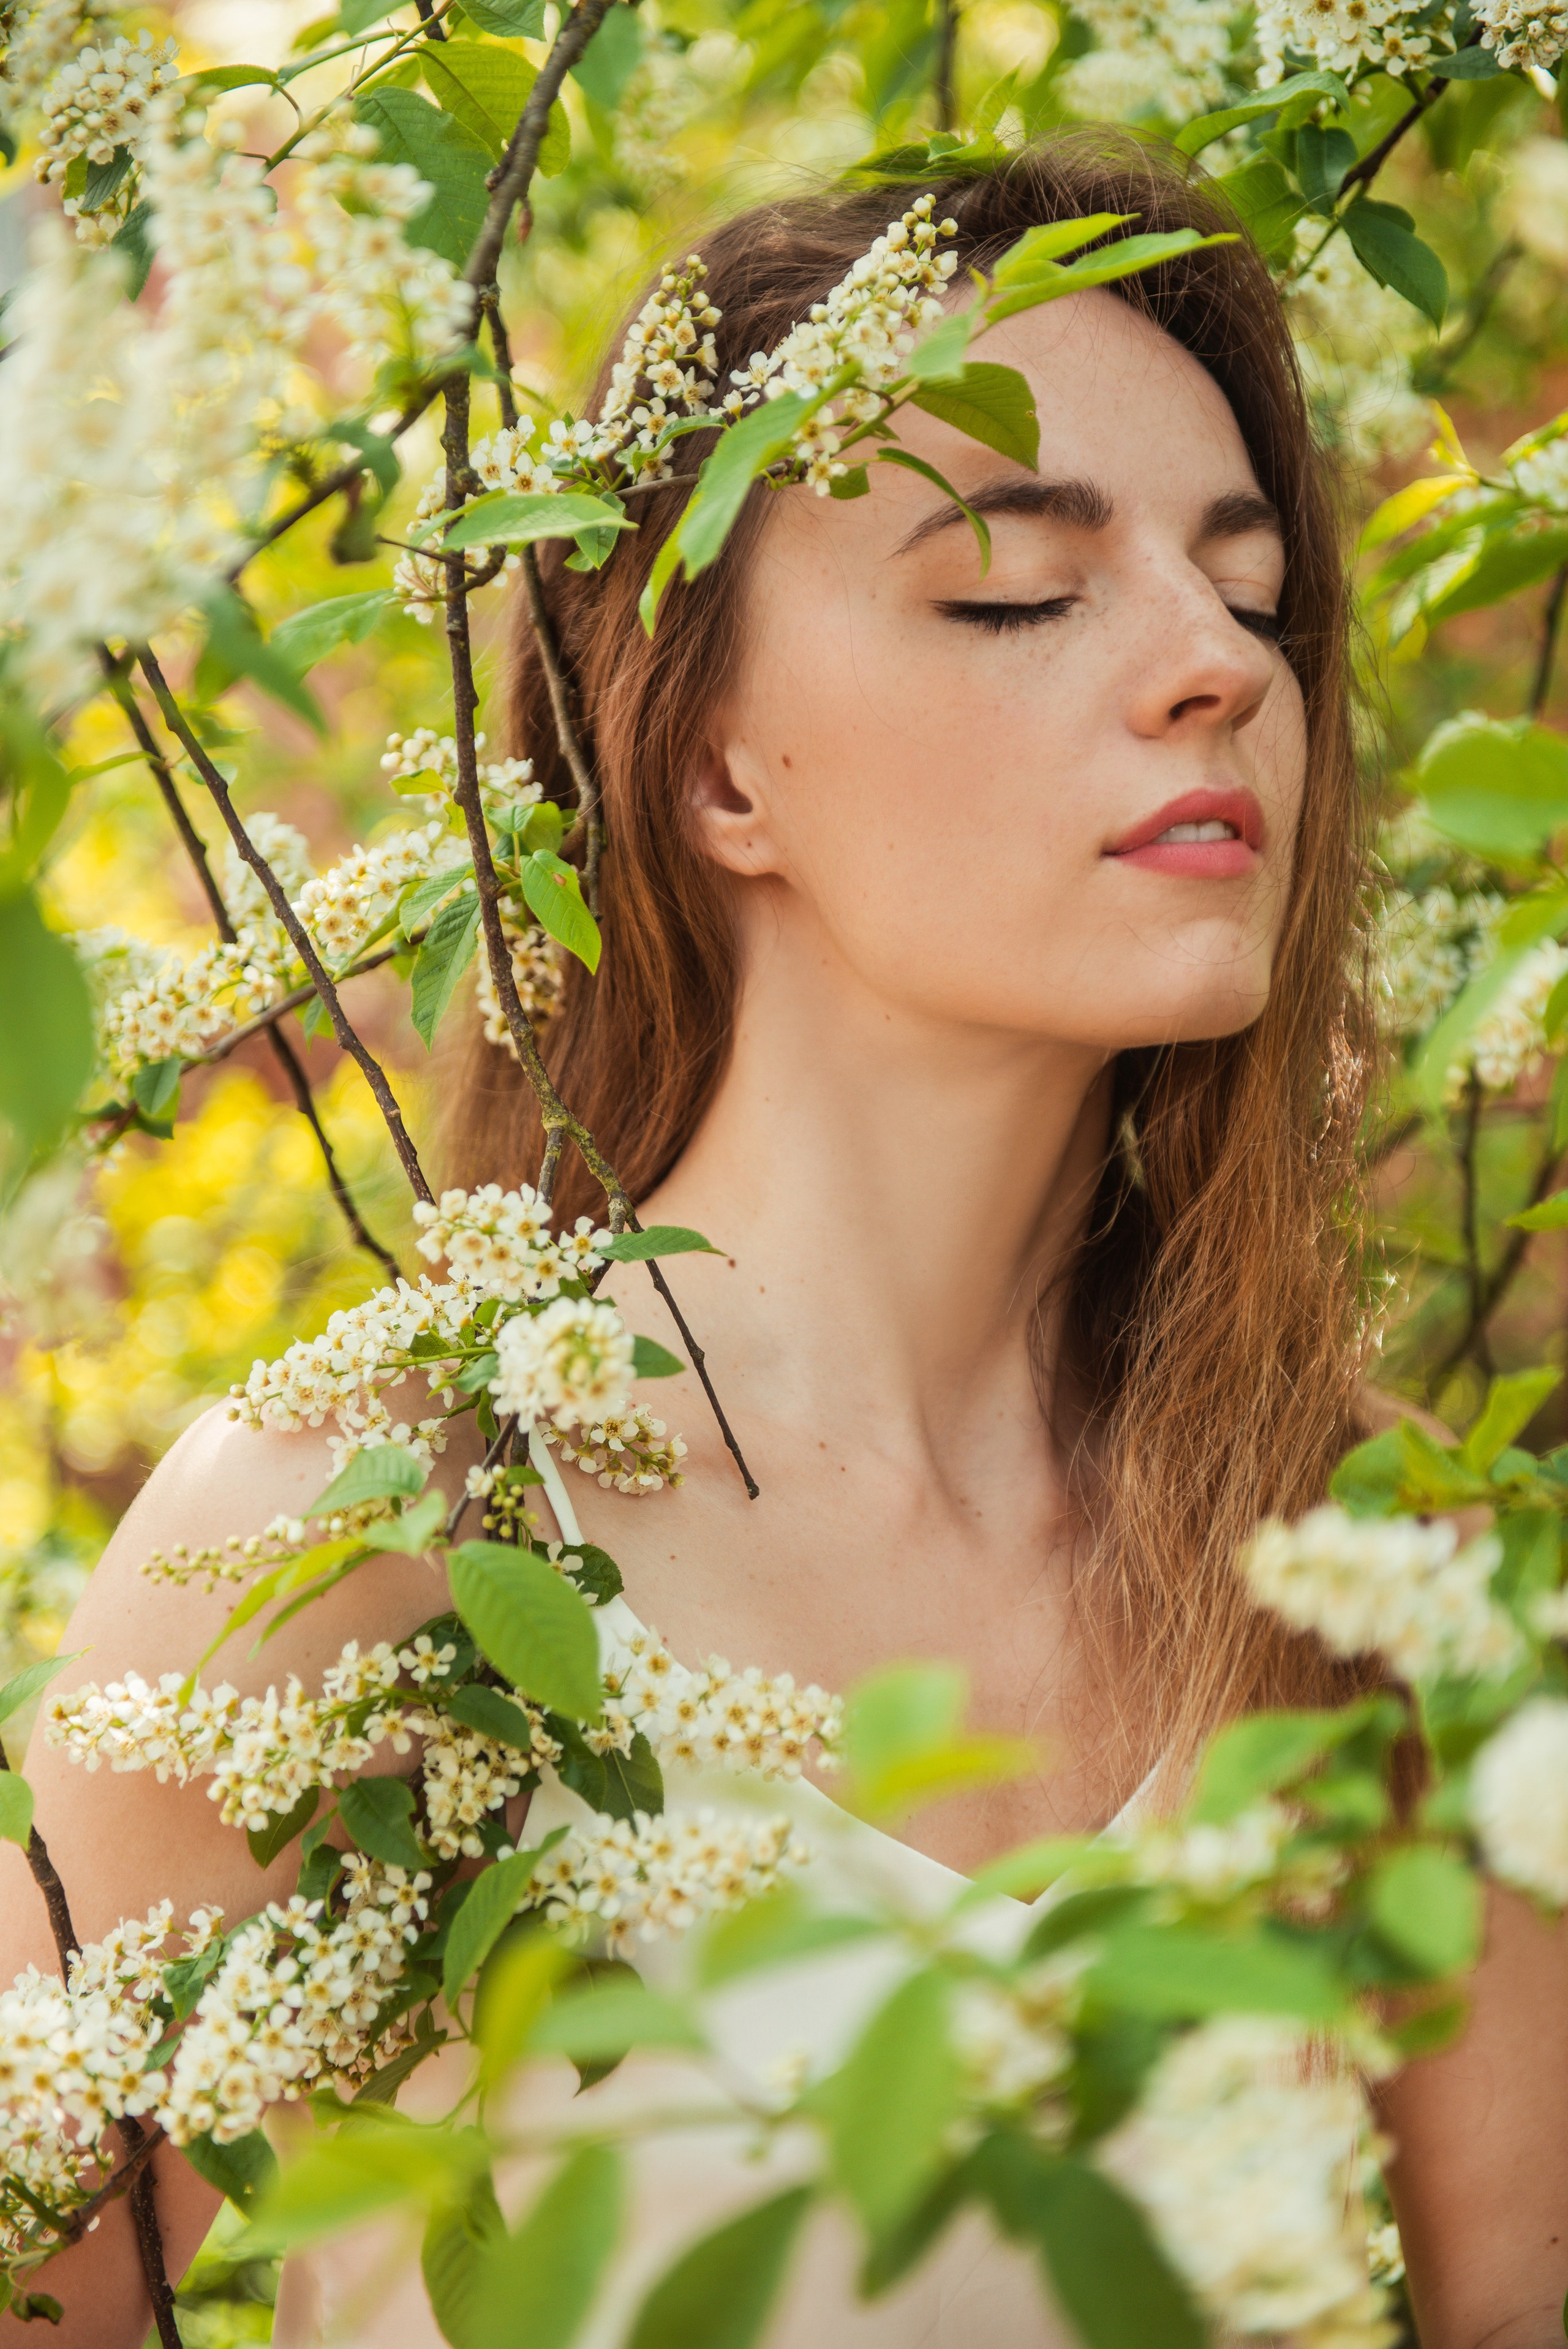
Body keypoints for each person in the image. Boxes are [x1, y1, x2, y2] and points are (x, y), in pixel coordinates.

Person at [6, 134, 1566, 2348]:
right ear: (722, 763)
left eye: (1254, 592)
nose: (1213, 662)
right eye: (1019, 584)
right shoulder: (346, 1551)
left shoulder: (1372, 1567)